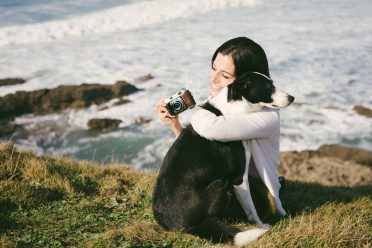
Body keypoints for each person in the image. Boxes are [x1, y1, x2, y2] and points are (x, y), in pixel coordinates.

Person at [156, 36, 286, 220]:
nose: (213, 79)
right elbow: (205, 152)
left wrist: (198, 108)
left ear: (246, 81)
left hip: (256, 193)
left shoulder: (266, 117)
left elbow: (209, 128)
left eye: (225, 75)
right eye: (213, 67)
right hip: (230, 179)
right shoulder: (226, 103)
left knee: (199, 206)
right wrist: (175, 125)